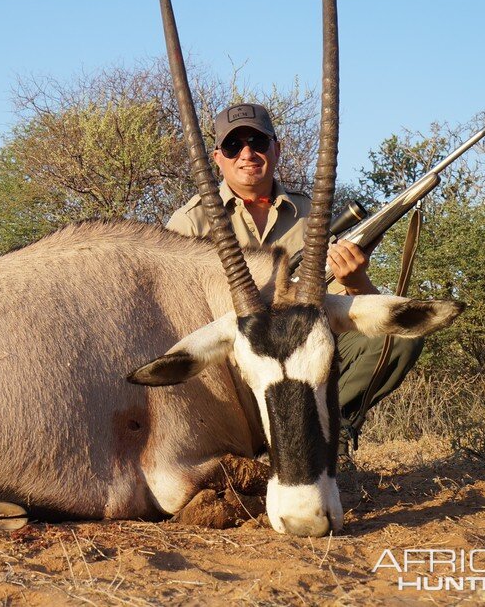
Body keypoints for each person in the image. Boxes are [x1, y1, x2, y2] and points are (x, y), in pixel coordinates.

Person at [166, 102, 424, 457]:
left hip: (303, 357)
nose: (247, 154)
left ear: (276, 148)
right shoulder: (188, 224)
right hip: (230, 370)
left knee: (397, 338)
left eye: (257, 141)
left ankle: (325, 437)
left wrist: (356, 280)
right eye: (233, 146)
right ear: (217, 157)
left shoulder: (311, 214)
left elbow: (343, 309)